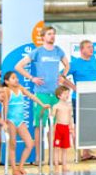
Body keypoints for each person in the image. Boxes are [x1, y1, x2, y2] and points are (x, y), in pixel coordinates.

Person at [14, 25, 70, 163]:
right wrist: (32, 78)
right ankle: (39, 157)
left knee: (55, 127)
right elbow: (18, 66)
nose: (52, 36)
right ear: (43, 37)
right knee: (40, 126)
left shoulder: (58, 51)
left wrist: (63, 75)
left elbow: (67, 65)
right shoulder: (37, 52)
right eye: (49, 34)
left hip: (56, 94)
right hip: (41, 94)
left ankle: (53, 157)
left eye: (53, 34)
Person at [2, 71, 48, 175]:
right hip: (11, 121)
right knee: (13, 145)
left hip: (20, 121)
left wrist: (42, 104)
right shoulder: (6, 90)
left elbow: (32, 96)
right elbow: (5, 106)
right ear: (7, 81)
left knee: (29, 143)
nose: (16, 79)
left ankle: (21, 166)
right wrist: (4, 121)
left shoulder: (20, 88)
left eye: (16, 77)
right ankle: (14, 169)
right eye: (13, 78)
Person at [63, 39, 96, 161]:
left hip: (94, 97)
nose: (91, 49)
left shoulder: (94, 59)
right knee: (79, 126)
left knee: (90, 125)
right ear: (82, 50)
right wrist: (74, 87)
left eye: (92, 47)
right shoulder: (74, 63)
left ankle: (86, 153)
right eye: (89, 47)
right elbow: (61, 76)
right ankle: (77, 154)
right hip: (79, 98)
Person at [51, 85, 74, 171]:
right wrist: (53, 129)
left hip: (66, 128)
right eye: (65, 94)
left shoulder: (69, 106)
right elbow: (52, 117)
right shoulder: (56, 106)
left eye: (68, 94)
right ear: (59, 96)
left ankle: (64, 165)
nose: (67, 95)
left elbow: (70, 118)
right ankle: (56, 165)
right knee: (56, 148)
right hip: (58, 128)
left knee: (65, 148)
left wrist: (71, 128)